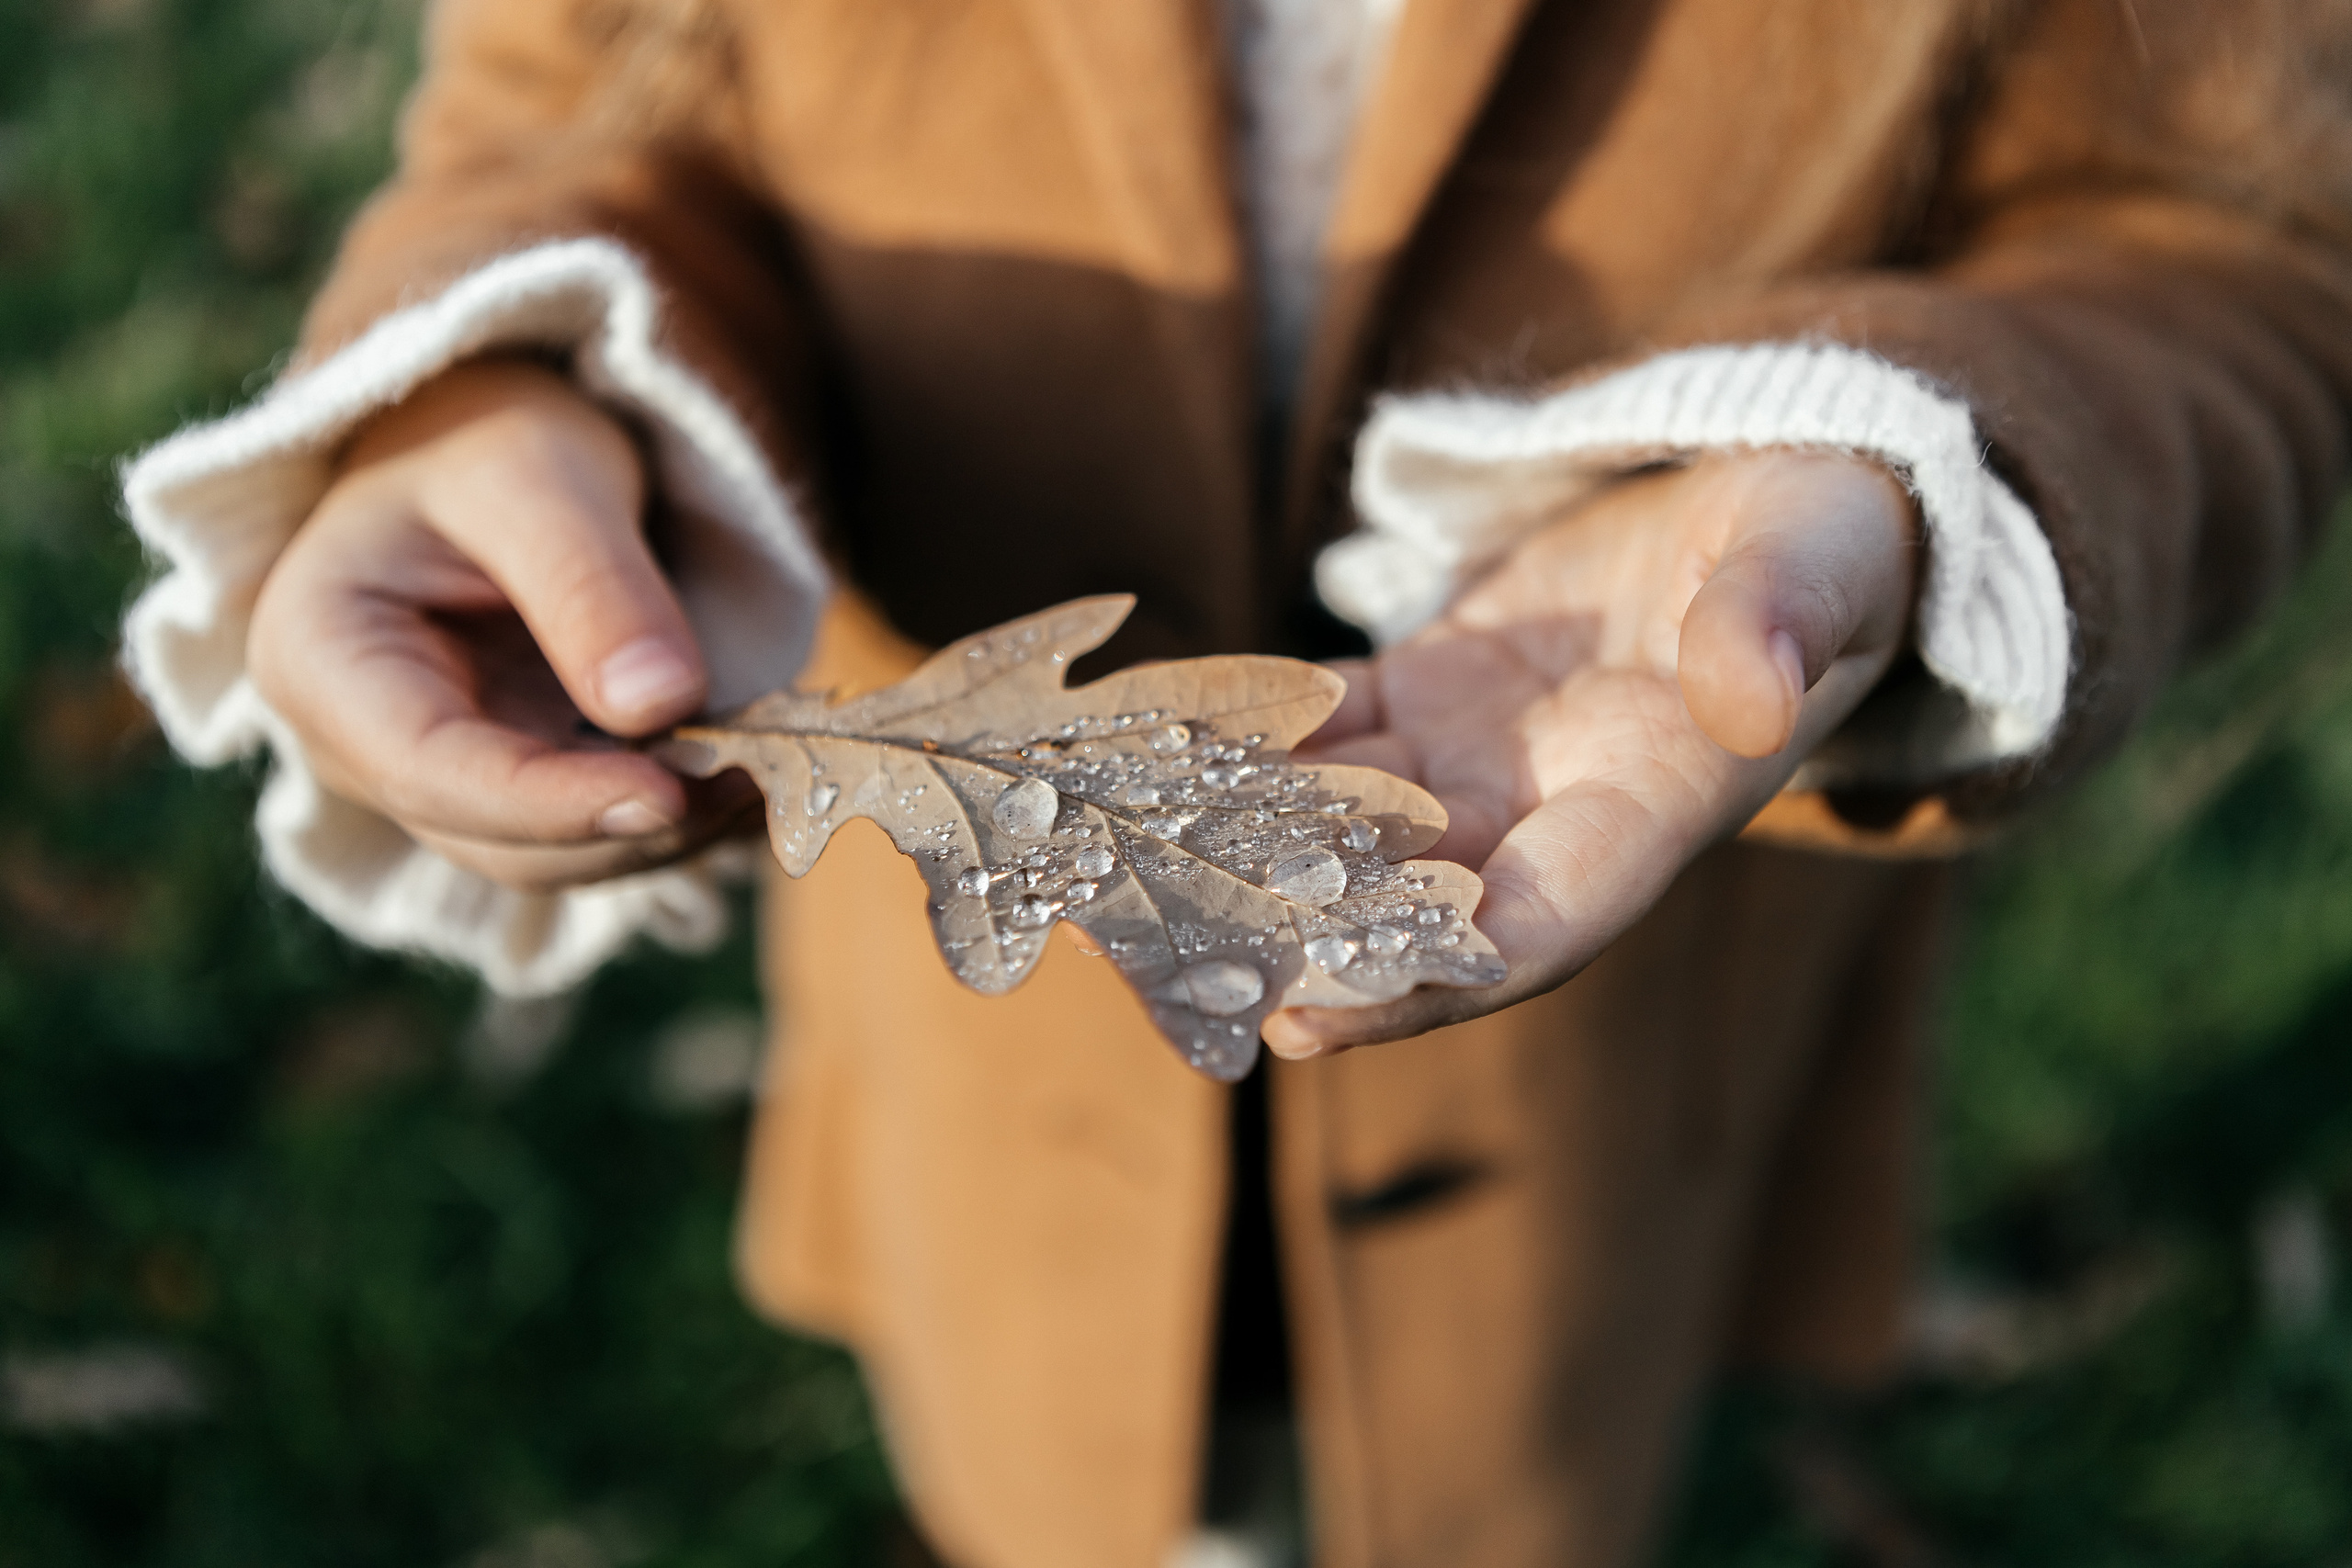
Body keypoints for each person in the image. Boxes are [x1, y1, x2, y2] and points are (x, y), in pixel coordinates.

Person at [117, 2, 2352, 1564]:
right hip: (997, 1079)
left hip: (1606, 1066)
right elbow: (580, 103)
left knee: (1510, 1477)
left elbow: (2229, 242)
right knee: (1058, 1491)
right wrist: (502, 394)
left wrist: (1883, 462)